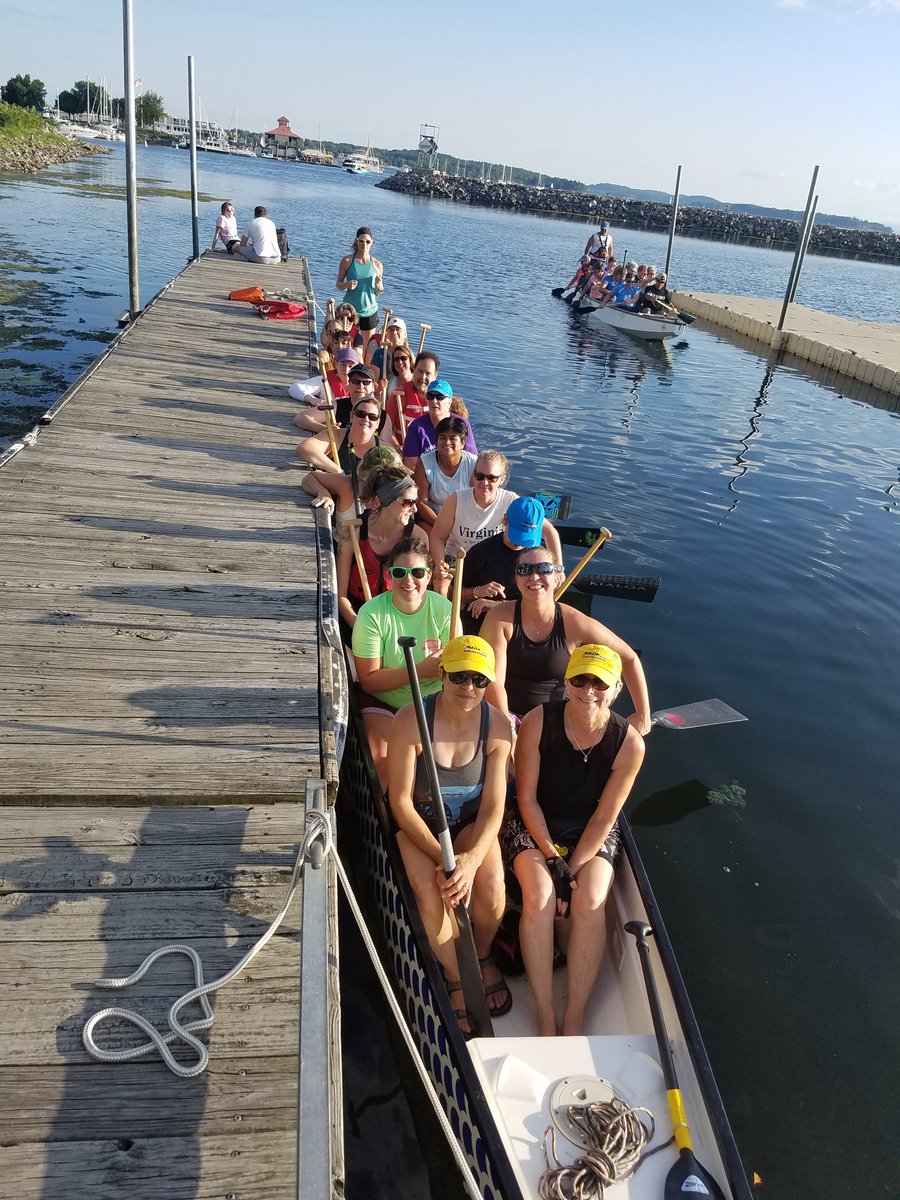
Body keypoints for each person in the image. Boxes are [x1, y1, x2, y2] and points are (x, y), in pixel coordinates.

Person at [503, 644, 645, 1035]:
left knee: (592, 898)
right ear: (566, 682)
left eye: (600, 682)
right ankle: (547, 1013)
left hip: (590, 829)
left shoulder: (629, 744)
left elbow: (604, 816)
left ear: (616, 689)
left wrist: (574, 868)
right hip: (537, 823)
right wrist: (553, 860)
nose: (589, 689)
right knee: (539, 895)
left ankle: (575, 1012)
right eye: (579, 679)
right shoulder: (536, 722)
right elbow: (526, 799)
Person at [388, 635, 514, 1031]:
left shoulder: (498, 727)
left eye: (479, 680)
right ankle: (457, 975)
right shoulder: (411, 720)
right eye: (458, 676)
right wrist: (443, 862)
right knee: (429, 889)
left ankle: (480, 952)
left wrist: (472, 859)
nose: (468, 687)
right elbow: (401, 804)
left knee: (492, 880)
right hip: (420, 829)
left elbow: (495, 806)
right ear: (441, 674)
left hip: (468, 826)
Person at [481, 545, 652, 731]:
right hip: (506, 716)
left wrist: (643, 714)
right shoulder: (499, 618)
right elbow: (494, 681)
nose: (534, 576)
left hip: (557, 722)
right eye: (525, 570)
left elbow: (629, 658)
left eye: (544, 568)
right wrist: (507, 728)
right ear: (516, 579)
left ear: (556, 577)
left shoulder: (575, 623)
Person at [352, 537, 451, 786]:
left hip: (434, 702)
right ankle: (392, 819)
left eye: (417, 572)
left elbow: (451, 669)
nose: (408, 580)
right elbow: (369, 682)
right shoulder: (371, 614)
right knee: (384, 765)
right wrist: (419, 670)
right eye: (400, 572)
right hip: (385, 704)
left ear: (429, 576)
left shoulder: (445, 609)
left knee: (444, 765)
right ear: (389, 575)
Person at [454, 497, 563, 634]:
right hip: (479, 627)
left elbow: (543, 606)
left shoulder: (541, 560)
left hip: (522, 630)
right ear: (505, 520)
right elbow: (452, 594)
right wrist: (476, 591)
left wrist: (496, 606)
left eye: (527, 535)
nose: (520, 542)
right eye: (517, 532)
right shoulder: (480, 552)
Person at [337, 469, 429, 628]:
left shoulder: (418, 538)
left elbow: (421, 593)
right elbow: (340, 595)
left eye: (415, 502)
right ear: (385, 501)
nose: (414, 509)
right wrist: (361, 628)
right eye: (408, 503)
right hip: (356, 617)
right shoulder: (352, 535)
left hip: (398, 619)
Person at [429, 451, 518, 577]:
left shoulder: (511, 501)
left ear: (501, 479)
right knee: (442, 587)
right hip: (457, 560)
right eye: (480, 476)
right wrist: (439, 563)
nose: (484, 483)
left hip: (493, 563)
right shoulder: (456, 499)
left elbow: (547, 531)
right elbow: (437, 537)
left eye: (492, 478)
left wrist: (557, 568)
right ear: (473, 475)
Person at [297, 387, 388, 474]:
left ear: (377, 423)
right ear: (351, 417)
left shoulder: (385, 449)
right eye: (361, 414)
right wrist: (338, 471)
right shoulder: (337, 436)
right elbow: (304, 448)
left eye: (372, 417)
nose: (366, 419)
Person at [302, 445, 402, 523]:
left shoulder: (402, 496)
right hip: (343, 546)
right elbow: (310, 477)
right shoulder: (348, 484)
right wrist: (322, 492)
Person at [413, 416, 478, 529]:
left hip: (466, 520)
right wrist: (443, 526)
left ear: (463, 442)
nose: (447, 442)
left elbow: (479, 500)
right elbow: (421, 503)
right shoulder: (424, 462)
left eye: (453, 438)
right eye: (442, 438)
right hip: (434, 519)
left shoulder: (474, 464)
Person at [402, 379, 477, 467]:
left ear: (449, 402)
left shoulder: (462, 424)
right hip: (426, 477)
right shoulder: (416, 427)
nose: (434, 401)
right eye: (430, 396)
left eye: (439, 397)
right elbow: (411, 464)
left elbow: (471, 460)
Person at [336, 226, 384, 351]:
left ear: (372, 243)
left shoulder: (377, 265)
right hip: (351, 311)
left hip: (370, 311)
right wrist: (347, 285)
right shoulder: (347, 261)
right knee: (348, 345)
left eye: (368, 242)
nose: (364, 244)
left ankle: (364, 369)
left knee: (368, 347)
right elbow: (338, 284)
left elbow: (377, 292)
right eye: (361, 241)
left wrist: (380, 287)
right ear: (356, 241)